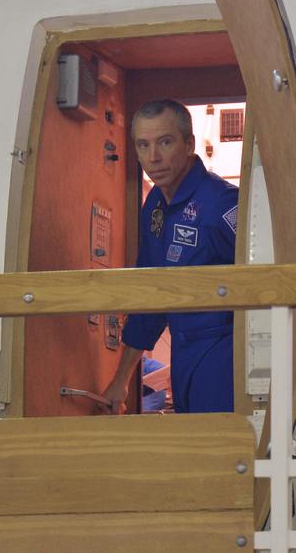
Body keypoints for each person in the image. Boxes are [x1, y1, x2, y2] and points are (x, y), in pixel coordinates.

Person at [101, 98, 238, 414]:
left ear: (189, 144)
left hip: (224, 353)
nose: (154, 157)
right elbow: (150, 297)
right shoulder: (155, 207)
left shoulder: (222, 205)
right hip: (184, 351)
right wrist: (122, 379)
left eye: (165, 142)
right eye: (143, 145)